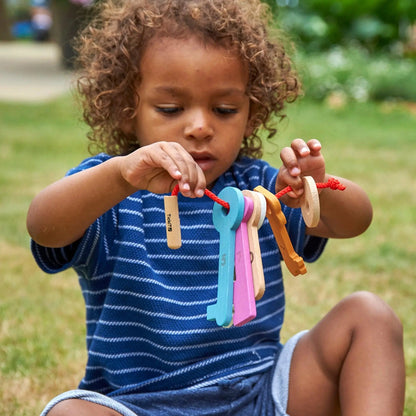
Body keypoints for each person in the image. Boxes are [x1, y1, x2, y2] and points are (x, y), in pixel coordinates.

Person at [27, 0, 405, 415]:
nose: (201, 127)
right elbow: (44, 227)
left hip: (263, 395)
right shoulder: (112, 192)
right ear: (125, 110)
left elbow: (356, 220)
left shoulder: (259, 190)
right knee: (70, 412)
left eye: (225, 110)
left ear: (251, 112)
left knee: (369, 315)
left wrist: (320, 188)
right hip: (141, 405)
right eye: (170, 109)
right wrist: (119, 176)